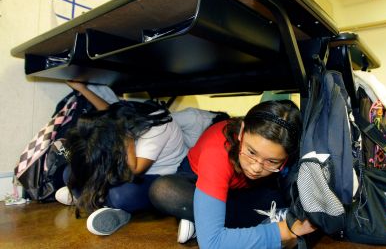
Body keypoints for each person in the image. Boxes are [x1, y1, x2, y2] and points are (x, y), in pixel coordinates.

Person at [148, 100, 316, 248]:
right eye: (251, 152)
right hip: (197, 179)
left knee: (294, 207)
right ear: (242, 132)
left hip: (248, 191)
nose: (256, 168)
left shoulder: (288, 155)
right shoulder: (218, 151)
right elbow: (212, 243)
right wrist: (284, 231)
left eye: (272, 161)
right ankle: (208, 218)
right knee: (163, 191)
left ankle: (203, 218)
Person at [57, 81, 188, 236]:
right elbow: (107, 110)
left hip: (158, 176)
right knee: (68, 173)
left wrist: (126, 138)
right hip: (128, 168)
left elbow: (135, 169)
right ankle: (96, 199)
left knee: (122, 196)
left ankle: (104, 204)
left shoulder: (157, 127)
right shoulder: (120, 119)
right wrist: (82, 88)